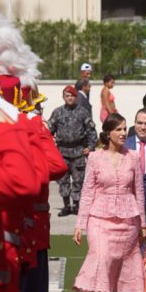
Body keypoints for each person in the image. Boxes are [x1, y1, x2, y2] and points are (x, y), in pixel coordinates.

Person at [73, 113, 146, 292]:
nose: (124, 133)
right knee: (102, 260)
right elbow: (87, 192)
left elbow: (139, 192)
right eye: (119, 129)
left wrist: (142, 222)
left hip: (128, 219)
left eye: (125, 129)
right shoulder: (94, 157)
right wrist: (80, 224)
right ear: (108, 133)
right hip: (99, 219)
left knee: (125, 265)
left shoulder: (133, 157)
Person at [47, 84, 95, 216]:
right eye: (67, 96)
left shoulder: (83, 112)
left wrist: (90, 148)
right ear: (63, 97)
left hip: (78, 151)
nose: (69, 98)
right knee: (63, 180)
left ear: (76, 97)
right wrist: (50, 149)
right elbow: (48, 132)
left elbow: (91, 131)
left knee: (78, 180)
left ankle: (77, 206)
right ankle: (66, 206)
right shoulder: (57, 112)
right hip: (62, 152)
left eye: (72, 96)